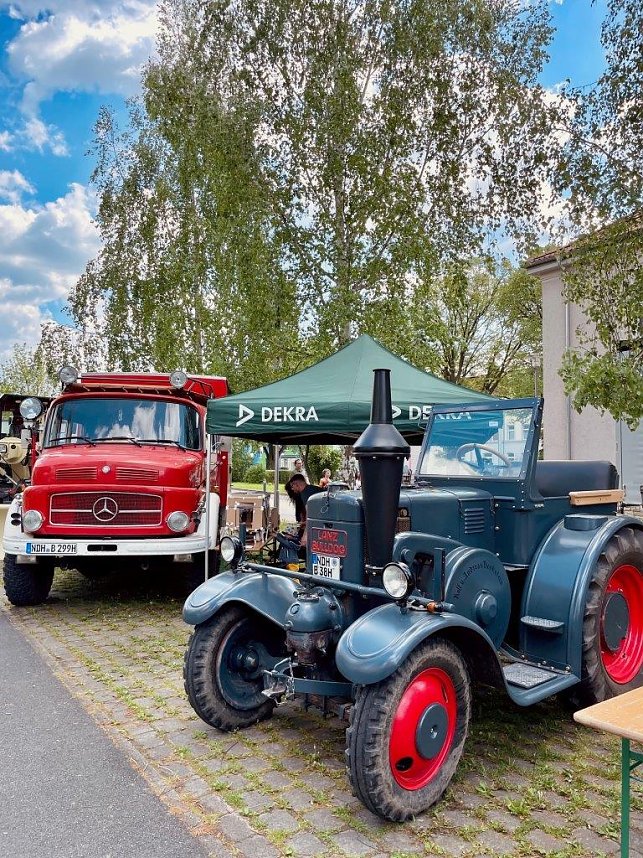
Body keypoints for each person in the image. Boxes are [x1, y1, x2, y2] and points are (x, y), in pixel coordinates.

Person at [284, 474, 322, 547]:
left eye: (292, 486)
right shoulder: (312, 489)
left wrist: (305, 537)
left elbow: (309, 514)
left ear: (296, 484)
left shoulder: (305, 493)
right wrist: (304, 523)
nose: (292, 489)